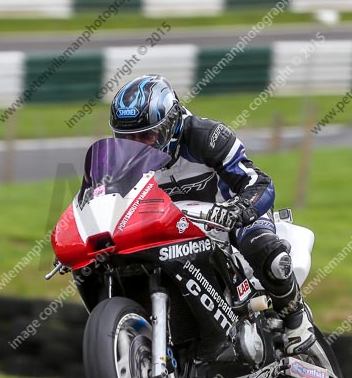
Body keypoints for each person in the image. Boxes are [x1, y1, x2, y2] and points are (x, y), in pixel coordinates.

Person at [109, 74, 315, 355]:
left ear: (171, 124)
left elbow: (258, 182)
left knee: (268, 252)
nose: (138, 146)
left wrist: (239, 209)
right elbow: (107, 202)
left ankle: (296, 318)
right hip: (173, 231)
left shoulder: (206, 136)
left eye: (146, 135)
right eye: (127, 138)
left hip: (230, 217)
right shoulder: (122, 162)